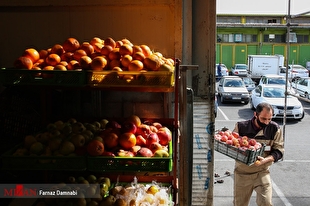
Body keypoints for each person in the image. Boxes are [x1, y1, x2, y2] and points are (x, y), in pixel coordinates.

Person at [232, 102, 284, 206]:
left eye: (270, 119)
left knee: (266, 202)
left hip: (262, 172)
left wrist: (265, 160)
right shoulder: (241, 127)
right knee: (240, 204)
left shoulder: (274, 129)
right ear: (255, 114)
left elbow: (279, 151)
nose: (267, 122)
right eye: (263, 119)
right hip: (243, 173)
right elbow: (232, 147)